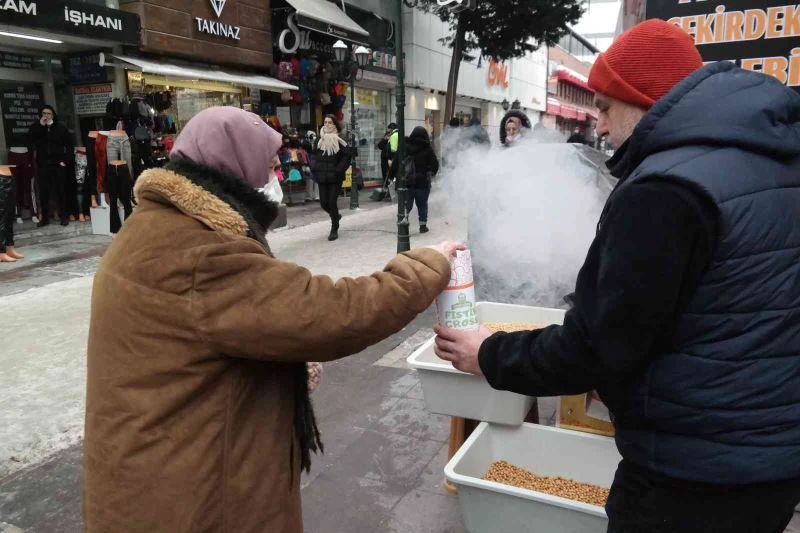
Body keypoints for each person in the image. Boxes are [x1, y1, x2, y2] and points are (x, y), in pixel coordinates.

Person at [433, 19, 800, 533]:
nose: (598, 125)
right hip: (771, 462)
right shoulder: (772, 157)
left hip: (688, 474)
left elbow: (597, 349)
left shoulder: (667, 188)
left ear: (645, 98)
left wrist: (486, 354)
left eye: (605, 107)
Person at [83, 106, 463, 533]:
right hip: (192, 492)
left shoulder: (158, 224)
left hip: (151, 469)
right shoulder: (199, 253)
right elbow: (331, 311)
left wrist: (285, 362)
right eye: (268, 164)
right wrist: (428, 266)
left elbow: (206, 337)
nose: (277, 174)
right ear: (232, 163)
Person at [29, 105, 73, 227]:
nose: (46, 116)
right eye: (44, 113)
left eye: (49, 113)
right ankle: (45, 218)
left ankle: (64, 216)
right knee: (44, 192)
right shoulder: (36, 127)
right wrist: (40, 126)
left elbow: (69, 146)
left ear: (53, 115)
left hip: (58, 163)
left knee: (60, 191)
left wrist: (65, 161)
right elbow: (30, 139)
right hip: (43, 164)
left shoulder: (60, 128)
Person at [310, 115, 350, 241]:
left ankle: (334, 228)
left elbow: (346, 157)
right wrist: (314, 166)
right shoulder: (319, 139)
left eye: (330, 122)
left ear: (335, 124)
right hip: (322, 175)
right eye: (325, 122)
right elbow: (313, 155)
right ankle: (336, 216)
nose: (327, 125)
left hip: (335, 177)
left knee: (332, 202)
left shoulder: (340, 139)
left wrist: (338, 169)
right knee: (323, 203)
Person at [401, 126, 440, 234]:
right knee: (422, 204)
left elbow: (398, 162)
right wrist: (431, 173)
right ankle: (422, 226)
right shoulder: (427, 149)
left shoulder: (406, 146)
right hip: (423, 182)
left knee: (406, 203)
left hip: (407, 181)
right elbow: (435, 165)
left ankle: (404, 222)